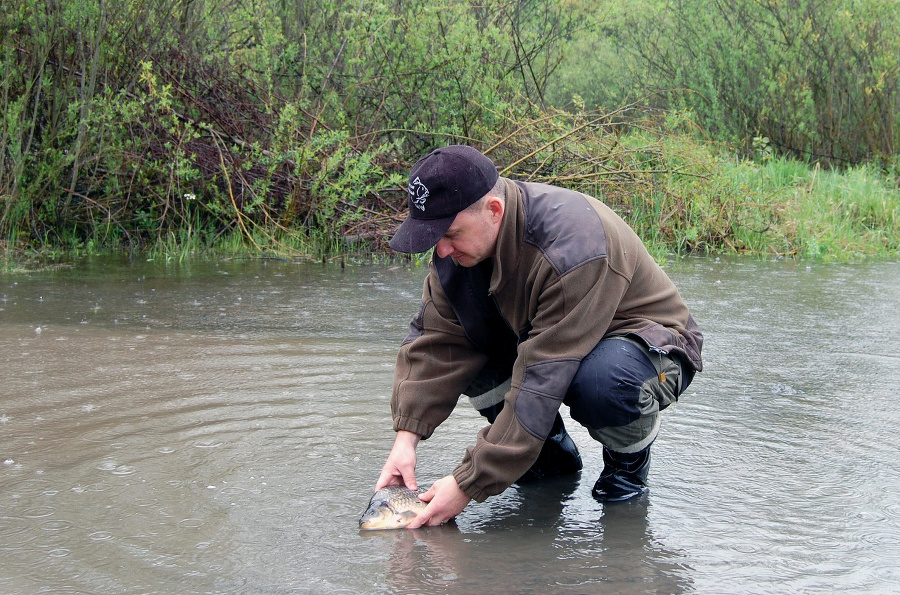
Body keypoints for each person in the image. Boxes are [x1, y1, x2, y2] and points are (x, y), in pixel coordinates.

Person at [375, 145, 703, 528]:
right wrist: (406, 439)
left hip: (646, 344)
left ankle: (626, 469)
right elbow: (435, 340)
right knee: (470, 353)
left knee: (603, 382)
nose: (441, 250)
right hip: (548, 335)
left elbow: (541, 379)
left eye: (449, 234)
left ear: (494, 211)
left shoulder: (574, 247)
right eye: (433, 237)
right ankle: (549, 460)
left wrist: (469, 482)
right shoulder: (459, 253)